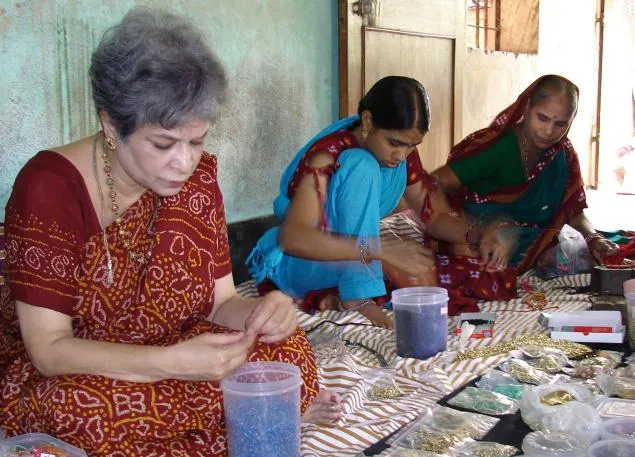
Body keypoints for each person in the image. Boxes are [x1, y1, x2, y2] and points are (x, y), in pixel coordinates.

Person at [0, 8, 339, 456]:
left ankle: (250, 415)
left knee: (289, 348)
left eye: (196, 141)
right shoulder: (49, 187)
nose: (185, 162)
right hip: (82, 369)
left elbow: (221, 303)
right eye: (163, 144)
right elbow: (48, 350)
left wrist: (264, 313)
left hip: (177, 348)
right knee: (79, 416)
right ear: (110, 123)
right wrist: (165, 364)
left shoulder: (196, 182)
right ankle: (261, 415)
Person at [247, 76, 515, 328]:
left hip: (354, 259)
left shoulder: (401, 157)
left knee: (469, 275)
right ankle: (357, 295)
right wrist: (380, 250)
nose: (401, 155)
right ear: (367, 120)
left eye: (412, 146)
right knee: (361, 165)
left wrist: (478, 235)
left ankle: (353, 290)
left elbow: (433, 216)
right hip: (302, 262)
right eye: (395, 143)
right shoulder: (330, 155)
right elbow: (293, 238)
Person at [432, 74, 619, 272]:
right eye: (542, 118)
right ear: (527, 106)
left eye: (560, 124)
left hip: (533, 236)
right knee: (485, 248)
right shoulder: (497, 147)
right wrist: (460, 225)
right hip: (483, 234)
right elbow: (433, 184)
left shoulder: (562, 154)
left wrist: (593, 238)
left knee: (587, 254)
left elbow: (574, 212)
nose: (548, 132)